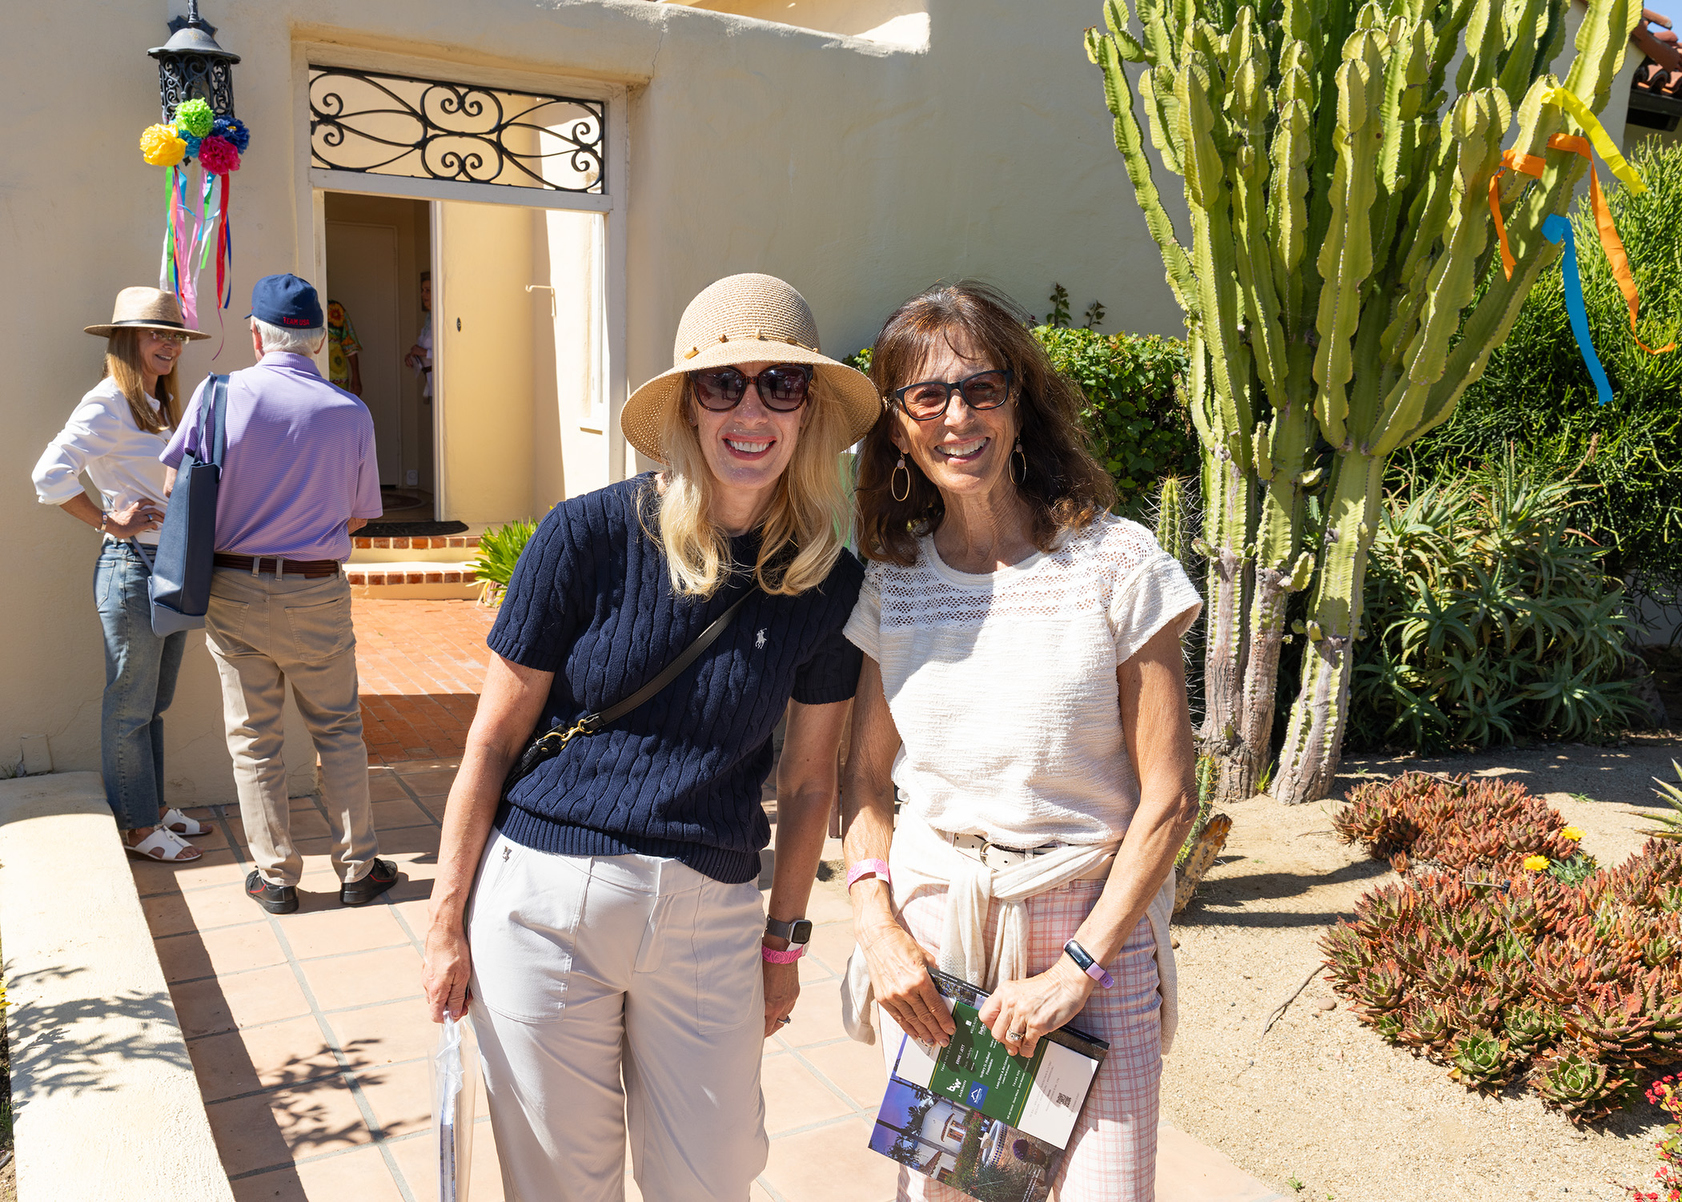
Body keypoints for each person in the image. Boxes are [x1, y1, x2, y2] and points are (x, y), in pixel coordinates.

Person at [421, 273, 880, 1201]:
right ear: (686, 405)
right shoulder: (586, 537)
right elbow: (490, 744)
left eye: (780, 385)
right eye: (724, 384)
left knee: (710, 1181)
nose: (751, 409)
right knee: (559, 1186)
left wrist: (783, 946)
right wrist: (444, 920)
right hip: (545, 899)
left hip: (709, 914)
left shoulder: (829, 583)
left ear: (808, 413)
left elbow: (807, 785)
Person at [839, 282, 1203, 1201]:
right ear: (896, 427)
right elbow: (865, 784)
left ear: (1019, 404)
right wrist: (878, 929)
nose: (956, 416)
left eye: (981, 389)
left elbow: (1169, 798)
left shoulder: (1117, 564)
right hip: (940, 945)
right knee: (953, 1196)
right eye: (926, 395)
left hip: (1092, 935)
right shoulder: (893, 584)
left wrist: (1078, 967)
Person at [161, 273, 392, 915]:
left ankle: (277, 876)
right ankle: (358, 868)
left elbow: (180, 482)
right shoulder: (351, 412)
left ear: (256, 335)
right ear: (318, 340)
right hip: (316, 590)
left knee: (256, 738)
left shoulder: (216, 393)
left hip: (232, 586)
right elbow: (359, 515)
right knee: (339, 730)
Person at [32, 287, 213, 863]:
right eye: (157, 333)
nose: (170, 345)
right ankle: (137, 828)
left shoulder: (159, 404)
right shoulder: (107, 401)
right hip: (132, 567)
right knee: (130, 704)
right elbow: (49, 475)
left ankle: (150, 808)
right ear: (126, 339)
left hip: (171, 564)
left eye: (176, 335)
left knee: (153, 702)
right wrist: (110, 521)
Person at [326, 298, 363, 396]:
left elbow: (350, 346)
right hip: (312, 376)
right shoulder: (301, 307)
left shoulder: (336, 309)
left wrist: (356, 376)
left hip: (338, 377)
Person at [404, 271, 431, 402]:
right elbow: (421, 348)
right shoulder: (429, 319)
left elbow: (449, 356)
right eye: (422, 290)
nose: (423, 294)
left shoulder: (443, 320)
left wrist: (424, 352)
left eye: (428, 290)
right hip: (431, 385)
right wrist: (412, 356)